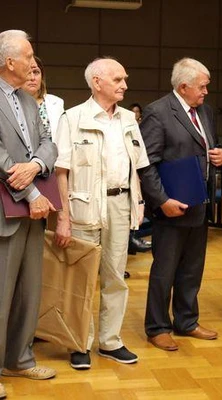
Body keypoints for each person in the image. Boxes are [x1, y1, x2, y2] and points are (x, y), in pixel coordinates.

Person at [54, 57, 149, 369]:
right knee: (80, 280)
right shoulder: (72, 118)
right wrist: (63, 218)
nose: (124, 85)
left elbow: (140, 165)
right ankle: (79, 342)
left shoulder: (128, 119)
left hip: (120, 204)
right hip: (83, 205)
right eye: (118, 80)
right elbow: (61, 172)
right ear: (97, 82)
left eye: (124, 79)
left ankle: (110, 341)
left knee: (115, 277)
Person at [138, 57, 222, 351]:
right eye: (202, 86)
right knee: (165, 270)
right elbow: (147, 164)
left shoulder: (205, 111)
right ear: (184, 86)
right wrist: (161, 201)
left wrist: (221, 156)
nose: (206, 92)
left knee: (192, 268)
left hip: (198, 203)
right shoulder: (158, 112)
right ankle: (157, 326)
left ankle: (187, 321)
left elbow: (209, 147)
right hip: (170, 207)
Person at [0, 29, 58, 398]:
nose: (34, 63)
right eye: (29, 56)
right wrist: (32, 191)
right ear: (9, 62)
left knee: (28, 289)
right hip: (6, 211)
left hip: (32, 213)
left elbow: (48, 142)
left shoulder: (28, 98)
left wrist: (37, 165)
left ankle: (19, 361)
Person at [127, 101, 151, 256]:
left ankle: (132, 239)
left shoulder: (143, 128)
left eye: (137, 111)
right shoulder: (126, 125)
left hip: (137, 171)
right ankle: (131, 240)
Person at [22, 55, 64, 139]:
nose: (32, 78)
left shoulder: (57, 102)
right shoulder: (11, 102)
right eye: (27, 72)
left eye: (36, 72)